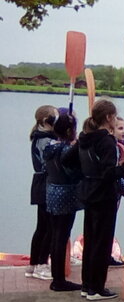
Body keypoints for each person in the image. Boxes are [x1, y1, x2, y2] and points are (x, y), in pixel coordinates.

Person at [65, 100, 124, 301]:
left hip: (88, 193)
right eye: (115, 117)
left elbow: (67, 160)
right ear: (109, 118)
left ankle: (87, 285)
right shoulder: (106, 141)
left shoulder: (85, 137)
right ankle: (96, 288)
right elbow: (110, 173)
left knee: (91, 240)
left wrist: (84, 174)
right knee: (102, 242)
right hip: (104, 195)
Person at [44, 111, 83, 291]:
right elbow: (74, 172)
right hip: (66, 193)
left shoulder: (49, 147)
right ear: (69, 131)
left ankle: (56, 275)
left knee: (55, 235)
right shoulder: (67, 150)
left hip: (51, 191)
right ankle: (58, 279)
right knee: (61, 235)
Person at [26, 104, 58, 281]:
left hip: (41, 183)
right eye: (55, 117)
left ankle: (32, 264)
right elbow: (49, 163)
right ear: (46, 121)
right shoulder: (45, 140)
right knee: (47, 227)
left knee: (43, 226)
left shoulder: (43, 137)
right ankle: (41, 264)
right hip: (45, 183)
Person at [108, 116, 124, 268]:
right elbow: (116, 173)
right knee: (108, 223)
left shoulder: (123, 146)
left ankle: (107, 253)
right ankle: (105, 255)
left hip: (119, 191)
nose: (123, 131)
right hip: (114, 190)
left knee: (112, 222)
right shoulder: (114, 148)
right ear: (112, 130)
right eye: (120, 128)